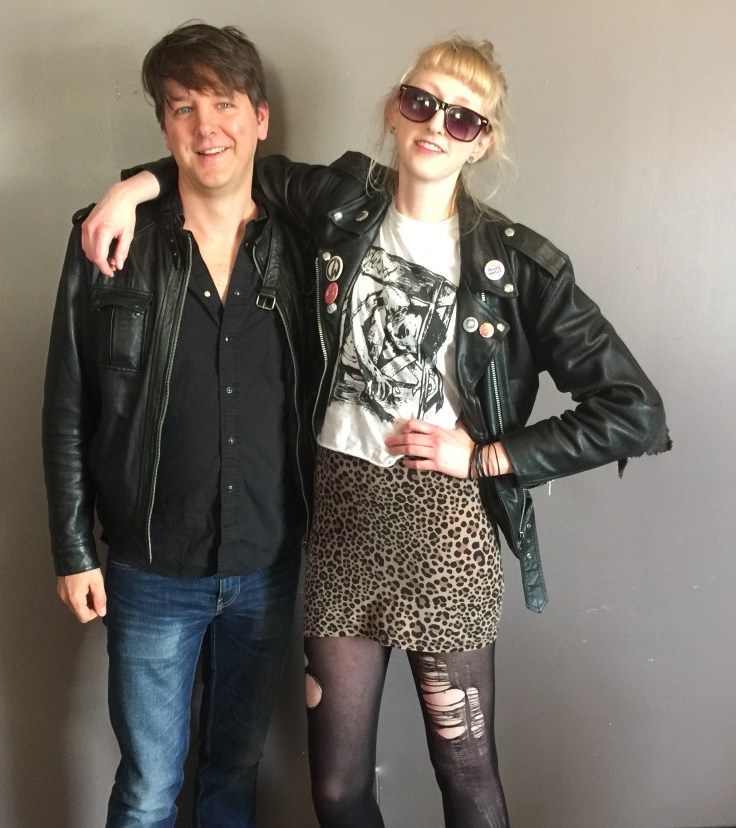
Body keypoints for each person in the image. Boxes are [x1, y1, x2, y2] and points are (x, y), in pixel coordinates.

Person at [81, 35, 671, 828]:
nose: (436, 125)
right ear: (396, 108)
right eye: (422, 102)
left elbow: (634, 409)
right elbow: (221, 162)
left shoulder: (518, 265)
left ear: (482, 140)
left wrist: (488, 456)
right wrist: (131, 190)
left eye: (463, 118)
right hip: (341, 527)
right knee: (335, 790)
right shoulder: (339, 203)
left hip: (445, 535)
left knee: (467, 775)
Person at [42, 23, 313, 827]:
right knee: (148, 788)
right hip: (150, 567)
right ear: (164, 125)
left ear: (260, 117)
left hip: (267, 562)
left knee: (236, 770)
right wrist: (72, 547)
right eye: (183, 108)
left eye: (224, 104)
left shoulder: (302, 246)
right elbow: (67, 402)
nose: (206, 127)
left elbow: (372, 194)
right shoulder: (108, 243)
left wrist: (136, 181)